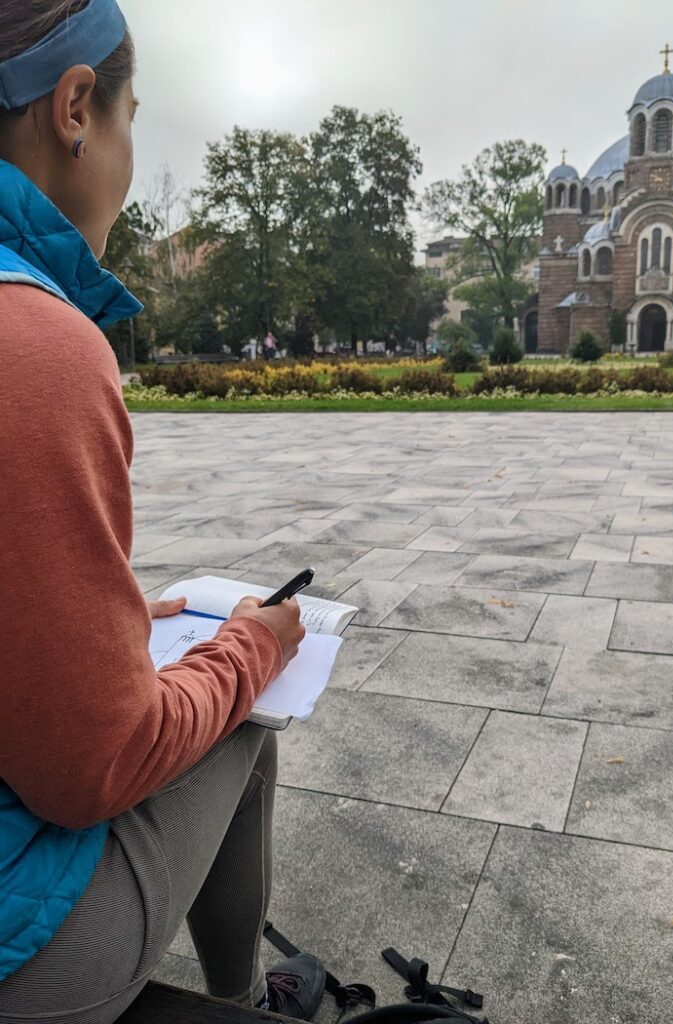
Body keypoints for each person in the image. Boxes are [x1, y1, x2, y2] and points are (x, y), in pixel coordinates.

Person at [0, 3, 326, 1022]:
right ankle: (243, 998)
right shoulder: (35, 346)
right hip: (20, 953)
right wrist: (244, 652)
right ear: (76, 108)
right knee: (243, 716)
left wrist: (105, 627)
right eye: (131, 116)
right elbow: (89, 770)